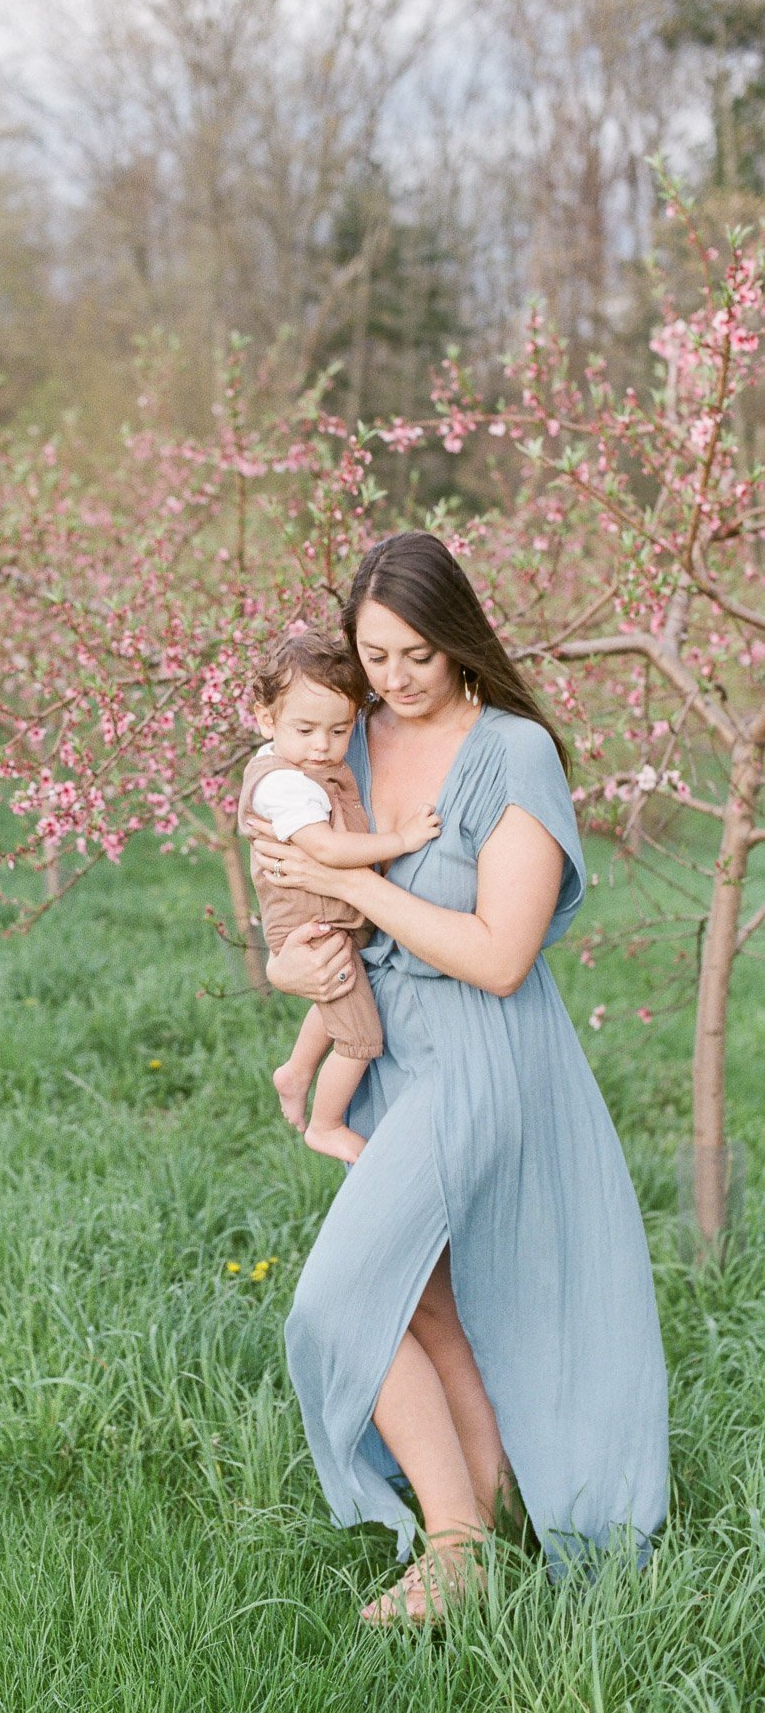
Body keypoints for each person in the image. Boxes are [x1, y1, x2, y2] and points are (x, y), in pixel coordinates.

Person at [246, 531, 669, 1626]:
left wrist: (368, 894)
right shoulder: (350, 741)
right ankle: (477, 1516)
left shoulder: (513, 753)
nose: (391, 680)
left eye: (415, 656)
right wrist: (288, 965)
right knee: (426, 1307)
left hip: (484, 1062)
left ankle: (460, 1548)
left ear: (461, 639)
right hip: (391, 1051)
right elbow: (295, 890)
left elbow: (497, 954)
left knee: (339, 1306)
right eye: (373, 655)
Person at [237, 630, 441, 1164]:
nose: (322, 747)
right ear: (266, 720)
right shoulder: (286, 783)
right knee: (359, 1038)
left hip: (324, 922)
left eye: (339, 730)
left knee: (337, 1000)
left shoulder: (304, 766)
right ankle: (325, 1125)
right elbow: (324, 847)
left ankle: (296, 1071)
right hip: (313, 925)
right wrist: (400, 840)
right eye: (304, 730)